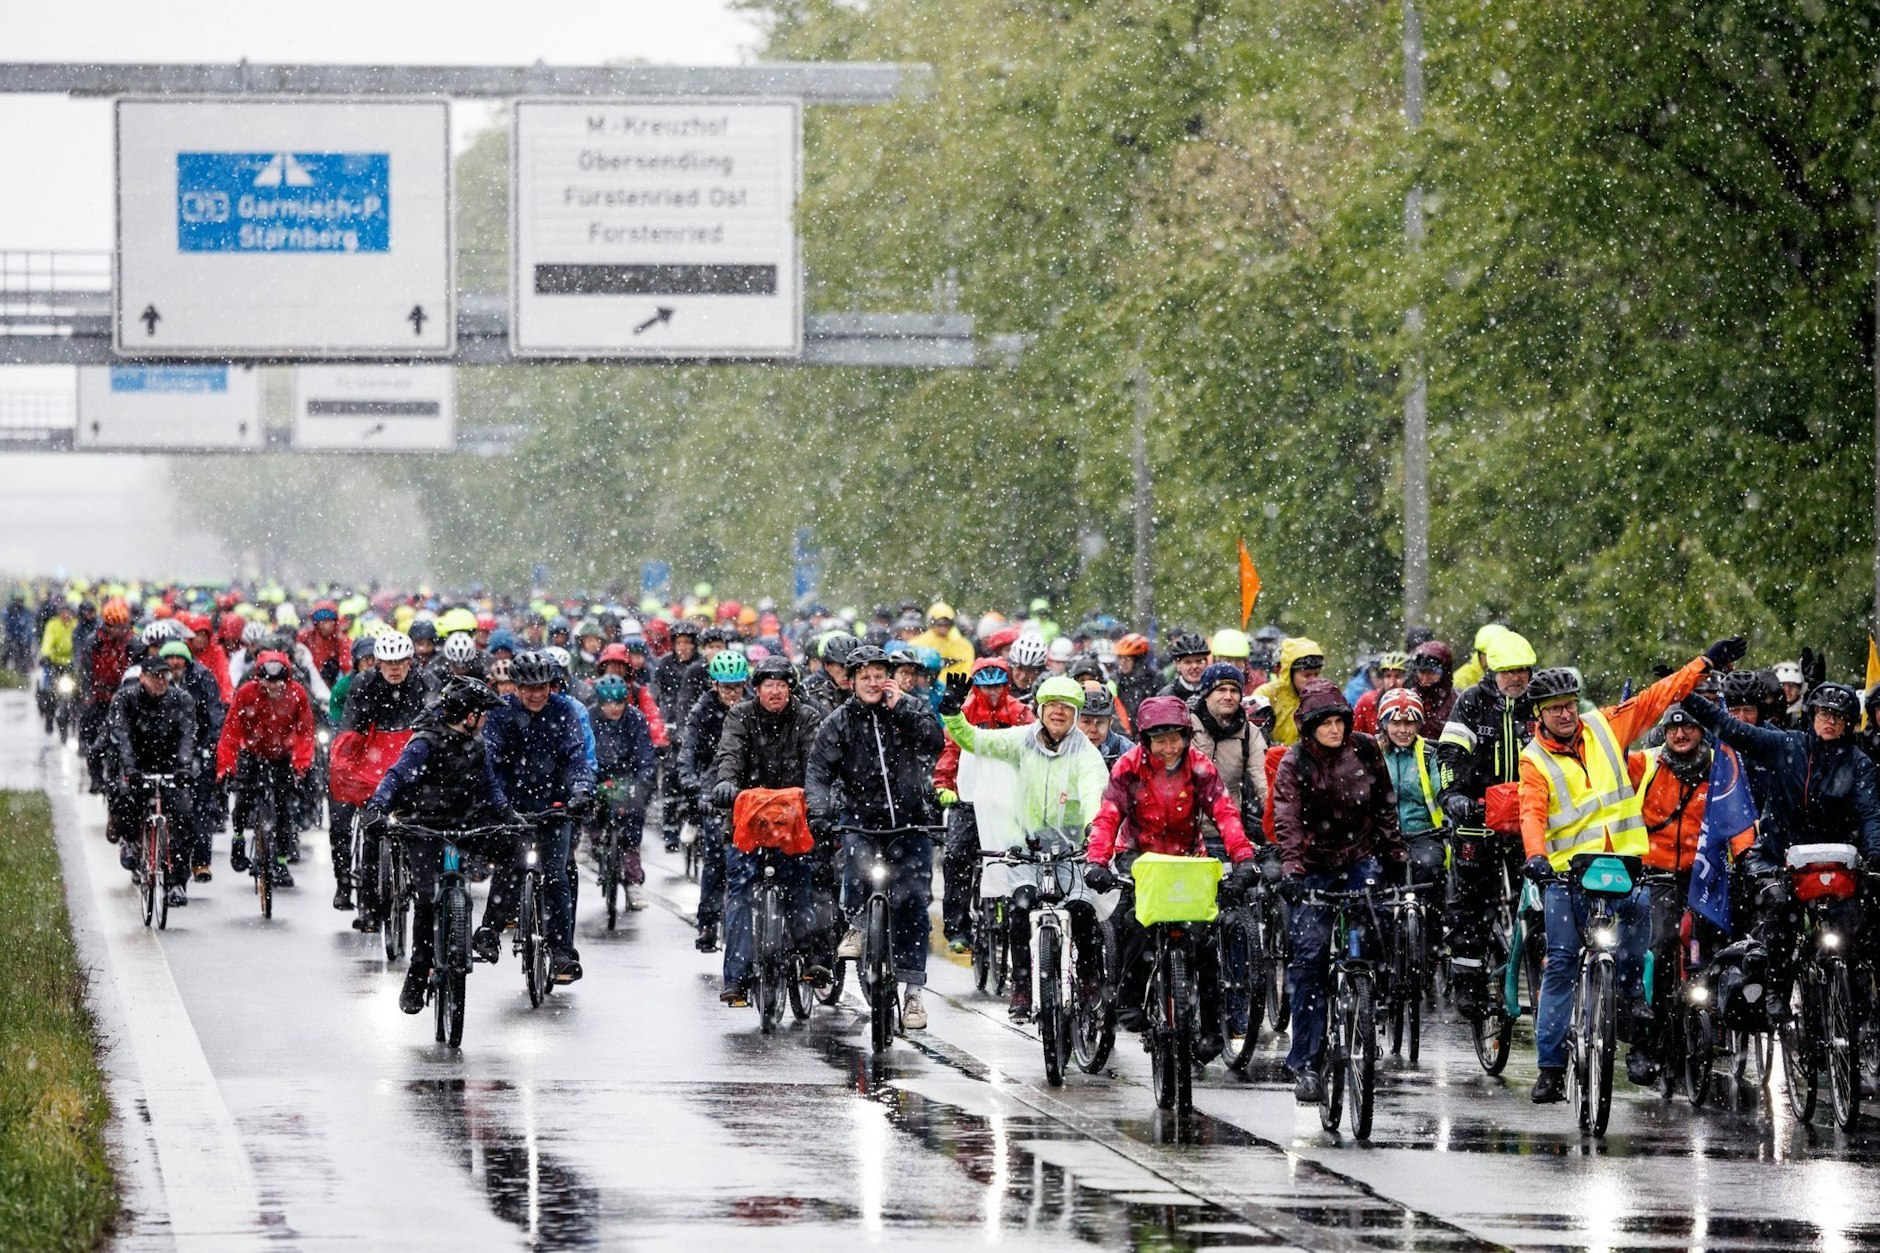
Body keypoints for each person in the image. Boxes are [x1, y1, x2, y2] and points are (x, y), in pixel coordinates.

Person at [1518, 639, 1741, 1103]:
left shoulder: (1603, 728)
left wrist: (1704, 663)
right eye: (1554, 709)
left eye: (1569, 706)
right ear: (1538, 714)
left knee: (1641, 944)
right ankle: (1551, 1068)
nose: (1565, 715)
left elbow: (1658, 696)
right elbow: (1531, 812)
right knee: (1560, 965)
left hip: (1624, 869)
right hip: (1565, 877)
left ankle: (1633, 1013)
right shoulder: (1533, 760)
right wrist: (1536, 856)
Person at [1085, 695, 1258, 1062]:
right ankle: (1130, 1000)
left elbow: (1225, 814)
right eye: (1159, 740)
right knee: (1137, 922)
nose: (1168, 748)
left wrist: (1242, 858)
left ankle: (1212, 1028)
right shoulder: (1128, 768)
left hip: (1186, 859)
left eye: (1175, 738)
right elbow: (1108, 816)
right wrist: (1097, 861)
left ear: (1185, 736)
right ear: (1145, 740)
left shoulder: (1200, 767)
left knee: (1205, 941)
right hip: (1140, 857)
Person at [939, 674, 1109, 1020]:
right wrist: (951, 713)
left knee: (1082, 910)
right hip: (1025, 847)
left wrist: (1093, 828)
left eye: (1067, 707)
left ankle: (1090, 979)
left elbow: (1094, 791)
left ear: (1075, 714)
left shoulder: (1086, 754)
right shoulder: (1021, 740)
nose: (1058, 713)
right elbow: (974, 741)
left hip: (1071, 849)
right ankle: (1021, 985)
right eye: (1052, 706)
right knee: (1021, 906)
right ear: (1040, 710)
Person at [1271, 680, 1407, 1100]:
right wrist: (1292, 870)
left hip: (1360, 855)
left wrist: (1395, 855)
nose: (1333, 730)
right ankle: (1307, 1063)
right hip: (1312, 865)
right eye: (1324, 723)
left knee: (1379, 925)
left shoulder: (1366, 749)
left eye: (1338, 722)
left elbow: (1385, 804)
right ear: (1309, 727)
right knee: (1309, 959)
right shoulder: (1294, 763)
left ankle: (1371, 1003)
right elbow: (1288, 819)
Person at [806, 645, 946, 1030]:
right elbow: (818, 773)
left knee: (915, 902)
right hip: (860, 819)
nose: (872, 683)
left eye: (878, 675)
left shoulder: (910, 707)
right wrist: (818, 814)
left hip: (910, 822)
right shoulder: (838, 722)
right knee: (854, 861)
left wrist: (902, 709)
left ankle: (913, 993)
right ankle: (855, 924)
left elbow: (935, 741)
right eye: (863, 676)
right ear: (851, 682)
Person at [362, 676, 512, 1015]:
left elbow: (490, 789)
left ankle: (489, 928)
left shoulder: (478, 744)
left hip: (465, 824)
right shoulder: (424, 743)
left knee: (514, 852)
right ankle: (419, 969)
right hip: (425, 827)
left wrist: (508, 816)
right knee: (427, 900)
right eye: (482, 713)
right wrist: (377, 807)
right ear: (467, 715)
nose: (486, 719)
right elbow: (396, 777)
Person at [710, 653, 828, 1001]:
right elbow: (729, 756)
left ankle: (811, 956)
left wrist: (818, 797)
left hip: (794, 820)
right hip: (751, 819)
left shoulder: (807, 717)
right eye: (768, 685)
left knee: (802, 885)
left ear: (791, 688)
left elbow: (816, 764)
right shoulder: (740, 716)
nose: (775, 692)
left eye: (781, 685)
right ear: (756, 689)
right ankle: (736, 977)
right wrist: (725, 784)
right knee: (742, 892)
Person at [1434, 629, 1537, 1015]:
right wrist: (1453, 796)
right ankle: (1469, 984)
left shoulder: (1540, 704)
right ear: (1490, 672)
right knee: (1471, 904)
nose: (1516, 679)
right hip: (1477, 818)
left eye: (1522, 672)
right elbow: (1448, 755)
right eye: (1508, 672)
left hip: (1529, 822)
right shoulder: (1472, 703)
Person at [479, 650, 599, 984]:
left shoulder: (564, 712)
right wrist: (497, 802)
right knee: (510, 865)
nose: (536, 694)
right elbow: (490, 761)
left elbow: (577, 758)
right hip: (512, 805)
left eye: (543, 686)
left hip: (555, 804)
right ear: (515, 687)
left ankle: (562, 952)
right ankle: (490, 928)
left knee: (557, 876)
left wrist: (580, 792)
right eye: (528, 687)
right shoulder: (502, 714)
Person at [330, 631, 435, 923]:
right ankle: (369, 909)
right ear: (377, 663)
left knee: (425, 830)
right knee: (372, 833)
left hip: (412, 760)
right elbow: (350, 728)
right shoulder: (363, 684)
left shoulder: (426, 683)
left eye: (400, 662)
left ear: (410, 662)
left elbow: (438, 727)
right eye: (388, 662)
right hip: (373, 762)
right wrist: (342, 762)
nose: (394, 668)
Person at [933, 658, 1035, 951]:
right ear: (975, 688)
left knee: (1020, 854)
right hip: (971, 798)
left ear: (1006, 686)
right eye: (985, 688)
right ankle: (957, 928)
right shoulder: (964, 713)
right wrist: (944, 786)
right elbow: (950, 750)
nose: (991, 694)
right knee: (956, 856)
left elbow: (1034, 751)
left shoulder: (1020, 713)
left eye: (997, 687)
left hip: (1009, 799)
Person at [216, 650, 315, 886]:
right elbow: (230, 732)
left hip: (282, 756)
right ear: (258, 678)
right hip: (251, 752)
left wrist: (300, 765)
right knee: (242, 801)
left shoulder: (297, 694)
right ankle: (239, 839)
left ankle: (281, 861)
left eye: (278, 681)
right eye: (267, 681)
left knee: (283, 810)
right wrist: (226, 767)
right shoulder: (246, 694)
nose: (272, 686)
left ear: (287, 679)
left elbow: (305, 731)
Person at [106, 655, 198, 908]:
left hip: (170, 766)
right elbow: (121, 735)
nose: (161, 681)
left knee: (183, 816)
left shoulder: (181, 700)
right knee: (125, 798)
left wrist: (183, 766)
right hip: (136, 764)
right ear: (142, 677)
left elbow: (187, 735)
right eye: (155, 676)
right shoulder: (126, 699)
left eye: (164, 676)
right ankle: (131, 842)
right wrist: (130, 768)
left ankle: (177, 883)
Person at [682, 649, 752, 948]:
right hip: (714, 787)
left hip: (750, 787)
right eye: (726, 688)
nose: (732, 694)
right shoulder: (703, 710)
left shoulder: (753, 706)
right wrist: (691, 783)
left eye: (737, 687)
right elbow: (688, 750)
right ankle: (708, 923)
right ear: (714, 686)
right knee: (716, 859)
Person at [1187, 662, 1269, 858]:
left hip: (1225, 834)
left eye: (1234, 690)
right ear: (1206, 694)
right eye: (1221, 689)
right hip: (1183, 833)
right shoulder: (1185, 727)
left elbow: (1264, 784)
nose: (1228, 696)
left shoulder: (1250, 734)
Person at [160, 639, 227, 881]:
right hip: (168, 751)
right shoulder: (157, 680)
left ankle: (200, 861)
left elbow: (215, 712)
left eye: (179, 657)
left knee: (201, 806)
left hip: (199, 746)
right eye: (169, 658)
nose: (174, 662)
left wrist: (212, 744)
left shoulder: (203, 677)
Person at [589, 674, 657, 906]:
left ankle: (633, 880)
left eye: (619, 702)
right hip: (599, 776)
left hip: (629, 775)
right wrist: (591, 779)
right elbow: (584, 752)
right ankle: (596, 841)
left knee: (633, 822)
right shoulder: (590, 718)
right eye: (609, 703)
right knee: (589, 808)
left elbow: (645, 754)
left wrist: (642, 780)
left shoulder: (635, 719)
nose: (614, 708)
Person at [1252, 637, 1325, 747]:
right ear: (1289, 673)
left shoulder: (1325, 696)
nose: (1313, 680)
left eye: (1316, 674)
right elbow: (1252, 738)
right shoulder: (1266, 695)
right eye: (1307, 675)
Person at [909, 602, 975, 679]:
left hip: (955, 688)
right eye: (939, 624)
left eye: (946, 624)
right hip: (926, 688)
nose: (943, 628)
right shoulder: (916, 643)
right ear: (931, 622)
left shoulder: (964, 645)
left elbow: (967, 671)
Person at [1351, 651, 1409, 735]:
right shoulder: (1367, 702)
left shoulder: (1417, 702)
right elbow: (1355, 737)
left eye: (1398, 676)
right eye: (1388, 676)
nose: (1392, 683)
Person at [1077, 684, 1134, 769]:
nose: (1093, 729)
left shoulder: (1127, 751)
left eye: (1100, 722)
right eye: (1086, 722)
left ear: (1110, 721)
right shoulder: (1062, 748)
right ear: (1074, 720)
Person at [1112, 633, 1158, 723]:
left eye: (1127, 658)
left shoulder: (1153, 679)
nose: (1122, 662)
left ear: (1138, 660)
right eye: (1120, 658)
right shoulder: (1115, 680)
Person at [1157, 632, 1211, 703]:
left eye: (1199, 661)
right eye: (1188, 662)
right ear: (1178, 665)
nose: (1194, 666)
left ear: (1207, 663)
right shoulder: (1166, 696)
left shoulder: (1214, 692)